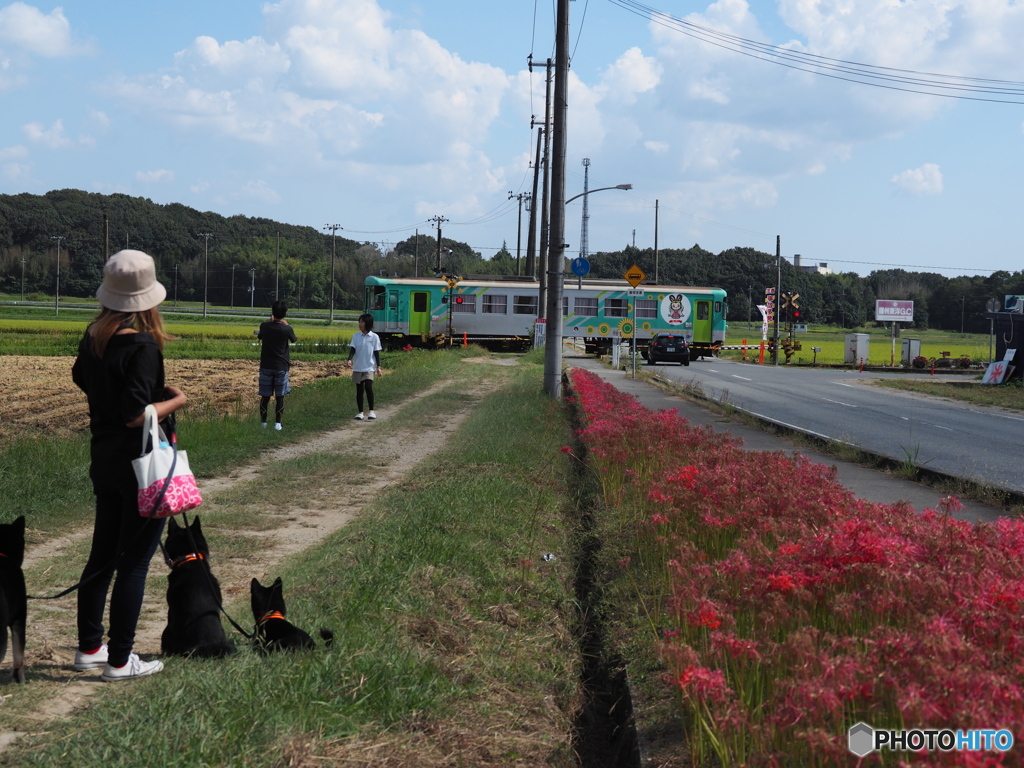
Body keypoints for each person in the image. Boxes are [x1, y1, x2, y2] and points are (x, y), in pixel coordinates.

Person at [70, 249, 186, 682]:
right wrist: (176, 399)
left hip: (104, 460)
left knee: (101, 556)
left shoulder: (95, 338)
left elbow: (80, 378)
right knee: (134, 563)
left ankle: (89, 648)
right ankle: (120, 660)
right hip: (141, 466)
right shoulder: (141, 345)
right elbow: (136, 413)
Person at [257, 301, 297, 430]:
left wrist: (270, 321)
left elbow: (260, 336)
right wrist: (286, 324)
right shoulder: (286, 329)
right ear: (285, 314)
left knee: (265, 396)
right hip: (281, 366)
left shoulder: (264, 326)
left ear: (272, 313)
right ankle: (277, 423)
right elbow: (294, 339)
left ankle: (263, 423)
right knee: (280, 396)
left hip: (266, 365)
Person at [345, 313, 382, 420]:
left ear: (367, 323)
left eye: (362, 322)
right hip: (358, 367)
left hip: (369, 367)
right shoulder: (356, 336)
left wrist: (378, 367)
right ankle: (360, 412)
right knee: (359, 390)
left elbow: (376, 353)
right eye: (359, 322)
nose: (360, 324)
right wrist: (349, 359)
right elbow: (353, 349)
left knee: (368, 388)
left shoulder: (374, 337)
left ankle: (371, 411)